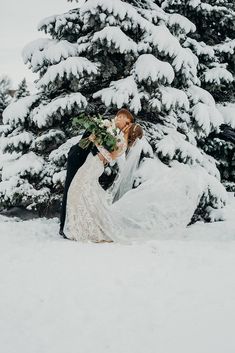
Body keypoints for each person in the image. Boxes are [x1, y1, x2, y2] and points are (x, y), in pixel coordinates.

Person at [59, 108, 135, 238]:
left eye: (123, 118)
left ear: (128, 124)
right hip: (79, 158)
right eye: (119, 116)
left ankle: (75, 225)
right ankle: (69, 224)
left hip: (89, 163)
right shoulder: (108, 127)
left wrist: (97, 142)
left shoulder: (116, 136)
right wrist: (94, 137)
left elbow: (108, 153)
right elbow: (94, 144)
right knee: (75, 190)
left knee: (77, 191)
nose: (119, 118)